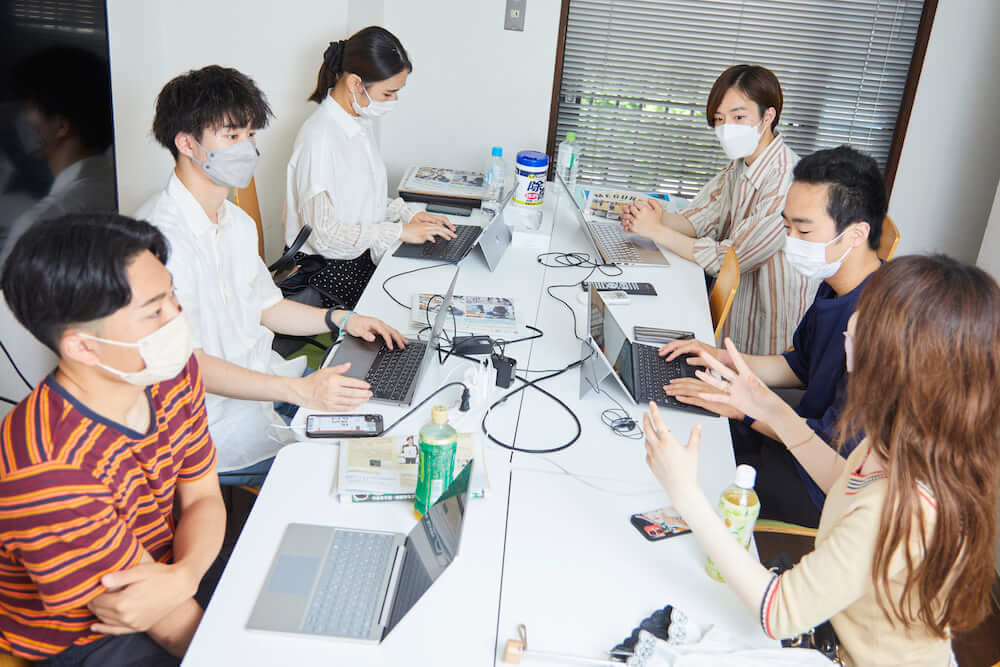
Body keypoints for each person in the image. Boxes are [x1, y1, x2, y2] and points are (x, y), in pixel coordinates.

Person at [644, 254, 1000, 665]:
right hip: (833, 631)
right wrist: (768, 407)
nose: (851, 324)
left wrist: (685, 494)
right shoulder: (909, 441)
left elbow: (778, 612)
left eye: (870, 319)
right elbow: (844, 482)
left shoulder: (898, 510)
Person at [137, 65, 407, 486]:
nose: (247, 149)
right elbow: (187, 364)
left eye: (250, 135)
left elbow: (268, 308)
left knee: (385, 423)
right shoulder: (157, 240)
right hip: (211, 429)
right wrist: (299, 392)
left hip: (270, 388)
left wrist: (341, 319)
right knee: (350, 473)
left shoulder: (237, 223)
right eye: (232, 137)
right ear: (186, 143)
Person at [0, 214, 225, 665]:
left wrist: (185, 574)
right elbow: (153, 617)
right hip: (91, 632)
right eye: (154, 311)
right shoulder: (46, 471)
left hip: (170, 569)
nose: (177, 318)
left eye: (172, 296)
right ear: (83, 347)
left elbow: (203, 495)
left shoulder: (167, 373)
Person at [660, 145, 886, 527]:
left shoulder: (880, 325)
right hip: (797, 431)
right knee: (686, 420)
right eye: (786, 227)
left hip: (821, 481)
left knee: (690, 475)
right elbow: (799, 366)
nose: (790, 240)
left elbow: (834, 455)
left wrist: (745, 409)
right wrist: (723, 358)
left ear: (856, 234)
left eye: (804, 230)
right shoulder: (836, 283)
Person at [622, 64, 815, 355]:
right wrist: (652, 218)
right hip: (735, 315)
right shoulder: (741, 164)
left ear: (768, 116)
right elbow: (702, 218)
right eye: (720, 119)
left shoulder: (788, 179)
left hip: (770, 331)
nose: (727, 129)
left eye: (739, 117)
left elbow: (731, 260)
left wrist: (657, 231)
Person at [283, 26, 456, 308]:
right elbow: (324, 236)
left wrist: (409, 214)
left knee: (433, 281)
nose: (393, 101)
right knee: (416, 299)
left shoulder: (356, 124)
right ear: (355, 84)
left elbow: (359, 197)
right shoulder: (320, 138)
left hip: (355, 261)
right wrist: (398, 231)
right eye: (388, 93)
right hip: (327, 275)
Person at [1, 46, 116, 262]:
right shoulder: (115, 190)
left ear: (60, 127)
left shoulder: (39, 226)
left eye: (28, 107)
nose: (19, 118)